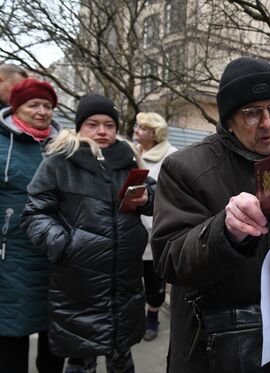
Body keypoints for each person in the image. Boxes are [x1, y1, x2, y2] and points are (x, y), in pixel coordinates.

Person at [152, 57, 270, 372]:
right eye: (252, 113)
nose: (267, 123)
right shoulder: (185, 167)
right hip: (211, 351)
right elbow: (169, 259)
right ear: (229, 120)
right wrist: (224, 232)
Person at [21, 93, 155, 373]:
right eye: (93, 124)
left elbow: (155, 195)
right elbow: (35, 213)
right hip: (77, 280)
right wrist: (66, 245)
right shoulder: (60, 161)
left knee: (122, 353)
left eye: (109, 124)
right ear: (80, 126)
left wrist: (148, 198)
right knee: (82, 357)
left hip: (125, 279)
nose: (102, 131)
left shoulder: (128, 158)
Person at [0, 78, 64, 373]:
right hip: (10, 254)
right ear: (16, 107)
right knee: (12, 330)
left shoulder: (64, 145)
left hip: (55, 250)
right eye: (33, 104)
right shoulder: (2, 142)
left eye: (48, 106)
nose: (42, 111)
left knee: (55, 332)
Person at [133, 112, 177, 341]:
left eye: (142, 127)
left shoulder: (170, 156)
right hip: (130, 225)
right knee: (132, 276)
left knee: (153, 277)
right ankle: (136, 317)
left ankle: (152, 319)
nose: (136, 130)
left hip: (154, 226)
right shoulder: (132, 151)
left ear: (154, 132)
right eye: (137, 126)